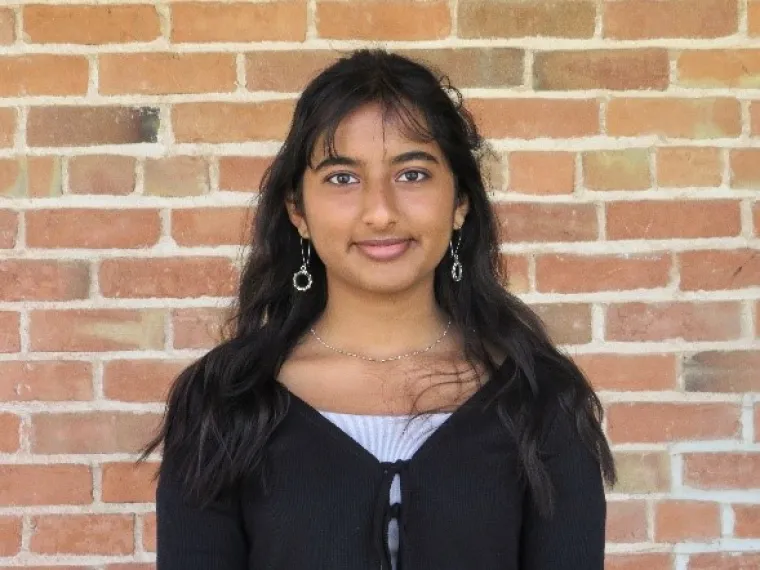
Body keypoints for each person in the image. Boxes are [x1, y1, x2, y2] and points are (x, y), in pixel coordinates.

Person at [140, 48, 617, 570]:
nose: (381, 212)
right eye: (343, 178)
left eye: (412, 174)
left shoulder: (541, 400)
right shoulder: (224, 401)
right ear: (297, 210)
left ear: (460, 202)